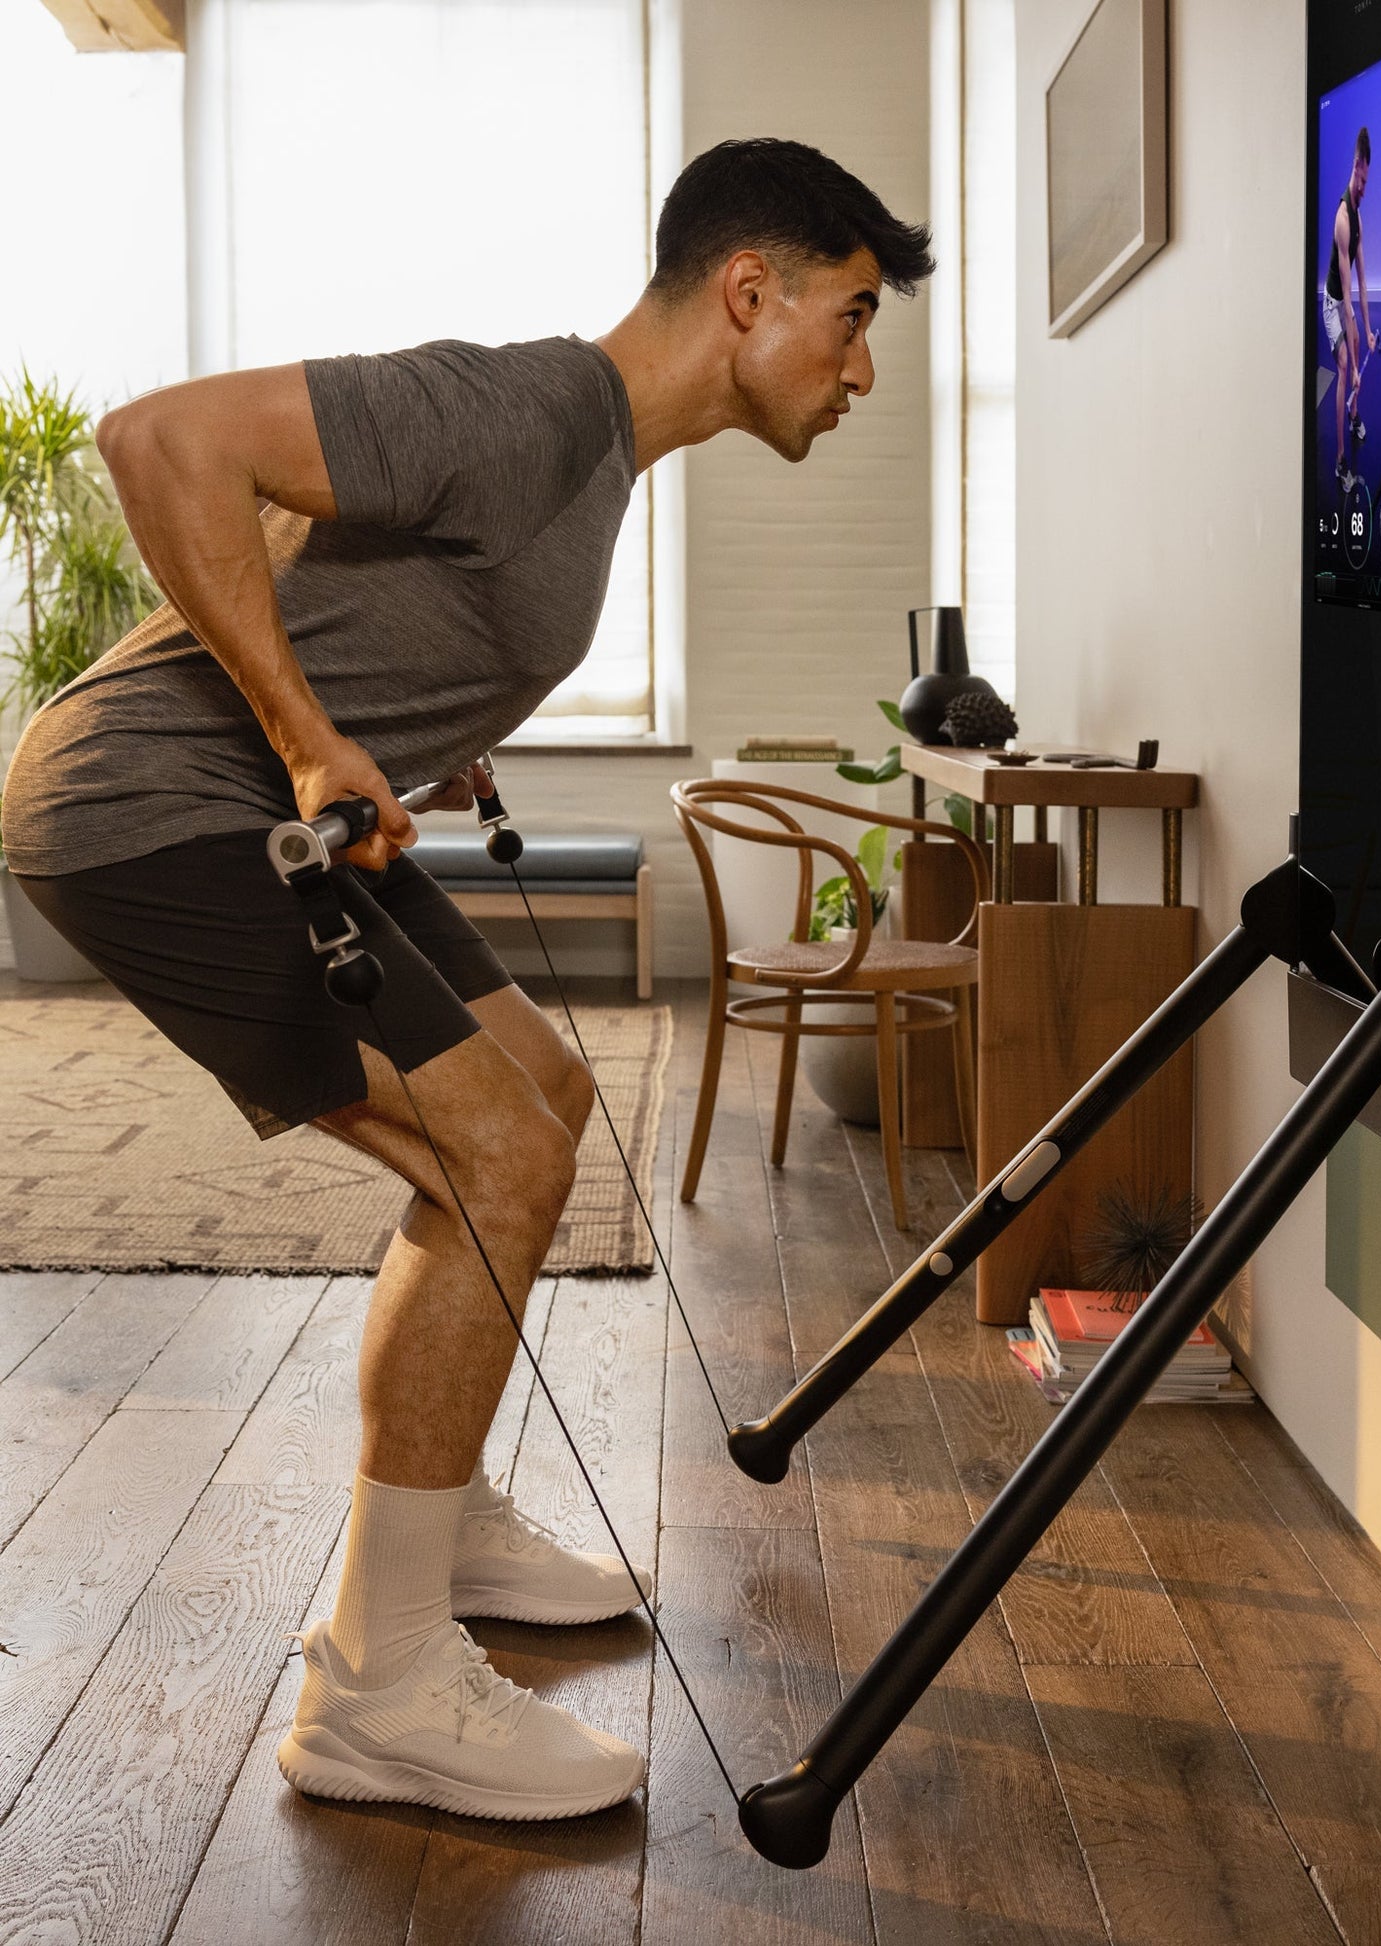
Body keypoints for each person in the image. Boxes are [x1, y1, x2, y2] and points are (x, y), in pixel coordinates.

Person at [0, 138, 932, 1822]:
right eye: (852, 316)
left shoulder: (586, 462)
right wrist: (299, 732)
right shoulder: (527, 407)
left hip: (235, 809)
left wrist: (421, 736)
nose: (861, 365)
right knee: (495, 1155)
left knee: (545, 1104)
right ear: (751, 294)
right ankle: (378, 1686)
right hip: (143, 811)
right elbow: (163, 443)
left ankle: (441, 1517)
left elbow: (343, 568)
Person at [1323, 124, 1378, 495]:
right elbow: (1344, 294)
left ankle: (1354, 413)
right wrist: (1355, 367)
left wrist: (1370, 330)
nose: (1364, 187)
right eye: (1362, 180)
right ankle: (1341, 459)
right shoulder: (1343, 220)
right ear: (1355, 165)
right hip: (1331, 305)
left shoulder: (1359, 216)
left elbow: (1361, 285)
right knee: (1346, 366)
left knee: (1358, 345)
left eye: (1366, 181)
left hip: (1347, 302)